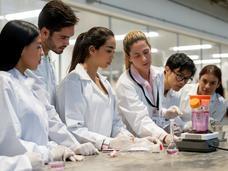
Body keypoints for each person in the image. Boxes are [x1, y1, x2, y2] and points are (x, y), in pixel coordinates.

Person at [0, 20, 98, 167]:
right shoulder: (4, 82)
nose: (42, 52)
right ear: (21, 49)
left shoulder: (31, 81)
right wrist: (49, 153)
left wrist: (72, 146)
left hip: (40, 163)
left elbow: (50, 120)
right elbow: (11, 142)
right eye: (38, 46)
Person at [56, 27, 162, 151]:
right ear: (92, 50)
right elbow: (74, 129)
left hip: (105, 154)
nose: (112, 55)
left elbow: (116, 124)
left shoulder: (105, 83)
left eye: (113, 51)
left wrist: (135, 141)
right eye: (108, 51)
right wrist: (109, 143)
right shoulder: (73, 82)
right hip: (85, 156)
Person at [115, 31, 196, 143]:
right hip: (135, 143)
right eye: (137, 55)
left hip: (154, 143)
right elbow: (140, 120)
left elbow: (152, 109)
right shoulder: (125, 83)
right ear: (129, 58)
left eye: (146, 52)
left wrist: (165, 113)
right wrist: (164, 136)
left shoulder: (158, 75)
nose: (144, 59)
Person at [26, 0, 79, 105]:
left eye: (69, 38)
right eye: (63, 37)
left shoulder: (47, 61)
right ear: (45, 32)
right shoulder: (28, 64)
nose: (67, 43)